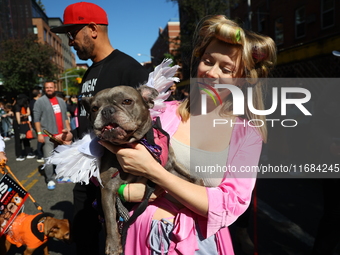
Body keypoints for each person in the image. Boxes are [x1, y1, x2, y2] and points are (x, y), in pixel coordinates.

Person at [99, 15, 276, 254]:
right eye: (207, 60)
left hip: (199, 245)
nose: (211, 73)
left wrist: (154, 173)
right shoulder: (161, 114)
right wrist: (124, 191)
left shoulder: (247, 135)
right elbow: (102, 165)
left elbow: (229, 205)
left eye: (226, 69)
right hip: (140, 238)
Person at [50, 2, 149, 254]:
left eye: (72, 34)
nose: (70, 41)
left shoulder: (129, 68)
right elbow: (89, 120)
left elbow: (149, 123)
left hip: (117, 175)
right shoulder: (88, 72)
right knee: (84, 236)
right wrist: (73, 135)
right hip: (86, 174)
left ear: (93, 28)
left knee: (118, 239)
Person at [33, 81, 71, 190]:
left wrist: (68, 130)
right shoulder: (40, 102)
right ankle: (50, 179)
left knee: (62, 157)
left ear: (55, 88)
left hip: (62, 135)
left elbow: (64, 117)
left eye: (51, 87)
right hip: (48, 135)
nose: (49, 89)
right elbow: (36, 119)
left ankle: (61, 175)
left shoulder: (61, 101)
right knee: (48, 159)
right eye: (47, 87)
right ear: (44, 89)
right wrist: (39, 133)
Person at [13, 94, 36, 162]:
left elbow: (28, 113)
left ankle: (28, 152)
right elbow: (18, 117)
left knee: (26, 138)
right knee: (19, 139)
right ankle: (19, 154)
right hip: (19, 124)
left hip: (23, 123)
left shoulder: (25, 106)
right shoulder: (17, 106)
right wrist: (20, 124)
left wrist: (23, 115)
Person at [29, 88, 44, 162]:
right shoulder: (36, 103)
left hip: (35, 122)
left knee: (41, 137)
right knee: (40, 137)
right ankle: (40, 155)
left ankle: (41, 153)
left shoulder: (32, 102)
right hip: (37, 122)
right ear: (39, 94)